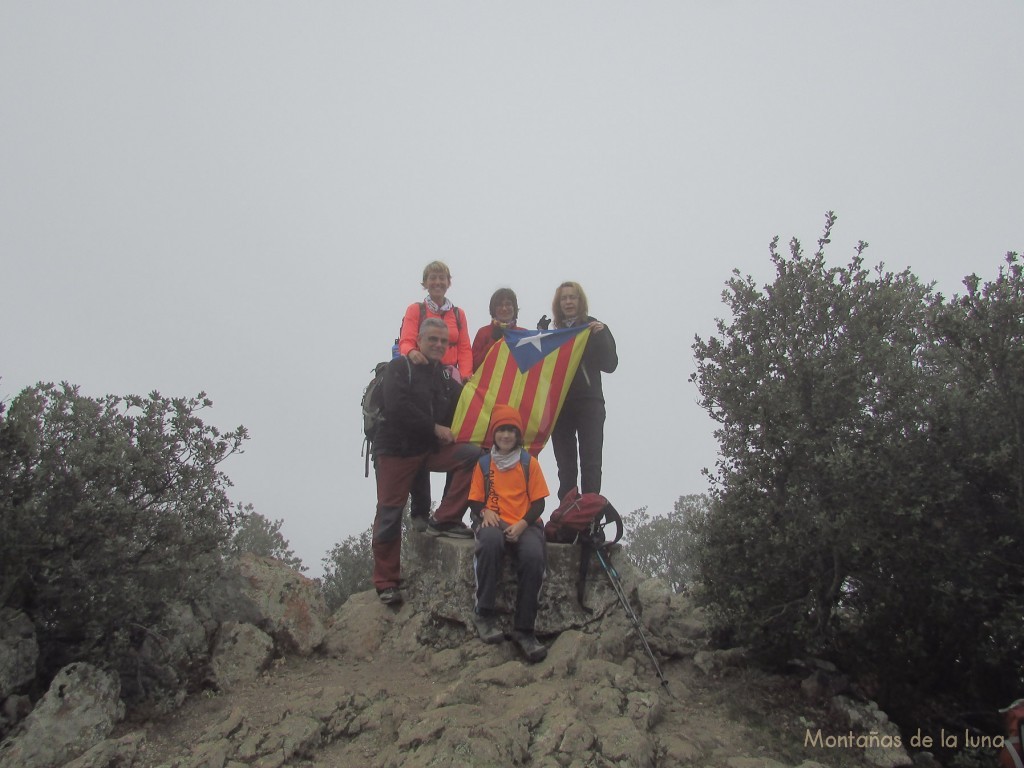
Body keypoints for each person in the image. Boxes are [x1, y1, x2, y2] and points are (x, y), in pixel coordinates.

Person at [372, 318, 481, 606]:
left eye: (444, 341)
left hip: (427, 450)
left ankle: (445, 519)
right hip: (396, 450)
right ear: (418, 341)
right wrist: (434, 428)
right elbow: (397, 408)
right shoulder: (400, 368)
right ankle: (386, 581)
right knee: (389, 514)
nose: (439, 345)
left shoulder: (445, 376)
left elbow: (472, 400)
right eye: (433, 339)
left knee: (472, 455)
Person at [468, 404, 549, 663]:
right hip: (494, 521)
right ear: (494, 434)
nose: (505, 436)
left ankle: (524, 630)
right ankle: (484, 614)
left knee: (534, 557)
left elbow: (539, 503)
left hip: (525, 523)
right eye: (501, 430)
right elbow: (474, 501)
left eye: (511, 431)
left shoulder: (529, 464)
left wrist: (523, 524)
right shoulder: (483, 464)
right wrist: (484, 512)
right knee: (489, 545)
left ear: (518, 435)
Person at [398, 260, 473, 532]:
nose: (438, 282)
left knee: (459, 438)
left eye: (442, 278)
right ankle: (420, 511)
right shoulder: (416, 309)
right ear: (425, 283)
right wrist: (411, 353)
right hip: (423, 374)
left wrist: (465, 375)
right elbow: (406, 338)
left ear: (449, 282)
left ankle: (447, 512)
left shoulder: (458, 313)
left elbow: (464, 347)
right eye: (433, 278)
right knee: (423, 437)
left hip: (451, 382)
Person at [548, 281, 618, 501]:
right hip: (560, 405)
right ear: (558, 304)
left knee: (591, 462)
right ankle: (567, 513)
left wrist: (603, 336)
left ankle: (589, 516)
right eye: (564, 298)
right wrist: (542, 333)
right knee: (565, 466)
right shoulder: (552, 332)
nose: (568, 302)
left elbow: (610, 365)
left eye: (573, 297)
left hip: (589, 402)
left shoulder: (594, 327)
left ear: (581, 301)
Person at [471, 287, 523, 370]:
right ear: (493, 309)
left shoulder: (523, 334)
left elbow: (532, 366)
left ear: (514, 308)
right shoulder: (483, 332)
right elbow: (474, 366)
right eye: (499, 305)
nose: (504, 308)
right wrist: (493, 341)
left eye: (508, 304)